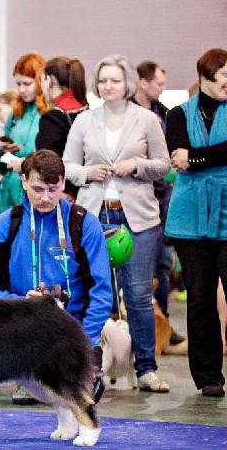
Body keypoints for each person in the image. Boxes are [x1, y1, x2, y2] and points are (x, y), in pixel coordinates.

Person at [63, 54, 171, 393]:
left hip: (138, 216)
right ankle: (91, 366)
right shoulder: (84, 120)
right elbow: (67, 165)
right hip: (94, 215)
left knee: (138, 294)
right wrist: (87, 173)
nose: (108, 86)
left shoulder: (147, 120)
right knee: (96, 292)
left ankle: (146, 368)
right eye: (103, 80)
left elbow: (164, 164)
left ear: (128, 83)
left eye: (115, 80)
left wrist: (137, 165)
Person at [0, 149, 112, 405]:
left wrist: (83, 340)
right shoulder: (5, 225)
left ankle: (84, 369)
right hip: (22, 327)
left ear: (63, 183)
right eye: (38, 189)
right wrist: (22, 305)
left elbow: (102, 292)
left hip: (74, 328)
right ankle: (27, 375)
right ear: (24, 181)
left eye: (53, 189)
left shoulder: (84, 224)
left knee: (82, 399)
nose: (45, 198)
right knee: (46, 391)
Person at [165, 47, 227, 397]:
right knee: (200, 299)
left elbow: (193, 158)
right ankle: (208, 377)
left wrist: (197, 157)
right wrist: (205, 158)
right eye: (225, 76)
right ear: (205, 76)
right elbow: (178, 157)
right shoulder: (178, 114)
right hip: (190, 219)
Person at [132, 61, 183, 345]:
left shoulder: (164, 114)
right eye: (159, 84)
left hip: (162, 203)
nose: (163, 89)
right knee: (136, 272)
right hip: (135, 201)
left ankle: (162, 323)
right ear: (143, 82)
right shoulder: (126, 114)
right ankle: (134, 329)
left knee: (163, 266)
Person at [0, 52, 49, 215]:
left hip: (37, 192)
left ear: (40, 81)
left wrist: (24, 162)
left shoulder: (50, 113)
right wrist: (3, 150)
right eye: (18, 84)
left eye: (27, 84)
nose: (21, 90)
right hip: (7, 195)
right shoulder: (15, 113)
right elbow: (0, 168)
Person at [36, 56, 89, 199]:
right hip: (89, 193)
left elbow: (47, 165)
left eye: (41, 80)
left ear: (49, 81)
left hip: (64, 195)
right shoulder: (89, 112)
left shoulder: (51, 119)